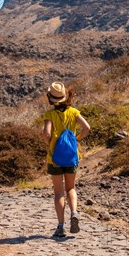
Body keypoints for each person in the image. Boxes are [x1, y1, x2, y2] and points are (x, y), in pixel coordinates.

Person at [42, 82, 90, 237]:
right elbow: (87, 128)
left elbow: (46, 134)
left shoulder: (49, 115)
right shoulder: (74, 112)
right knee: (71, 188)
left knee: (58, 193)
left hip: (54, 159)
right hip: (71, 157)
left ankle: (60, 226)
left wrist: (51, 145)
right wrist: (76, 139)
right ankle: (74, 212)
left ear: (51, 98)